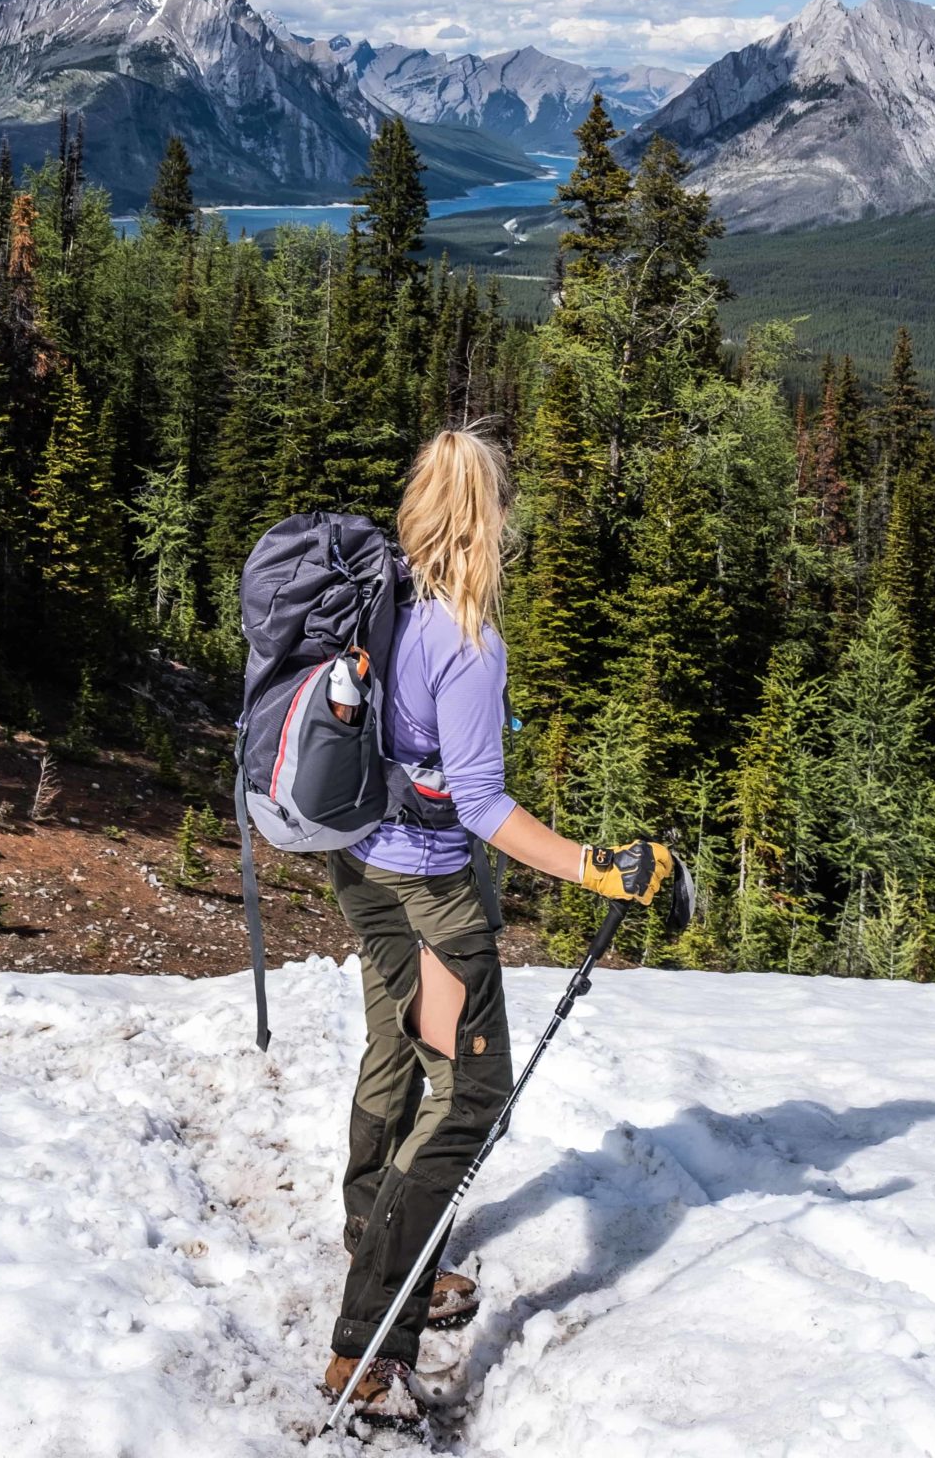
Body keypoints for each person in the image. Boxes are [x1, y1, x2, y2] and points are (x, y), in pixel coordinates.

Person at [321, 425, 676, 1420]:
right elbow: (480, 804)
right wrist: (593, 869)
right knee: (467, 1093)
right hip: (433, 886)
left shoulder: (377, 598)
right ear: (490, 521)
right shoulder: (464, 641)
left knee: (397, 1054)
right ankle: (368, 1346)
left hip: (360, 867)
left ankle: (382, 1245)